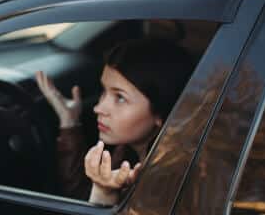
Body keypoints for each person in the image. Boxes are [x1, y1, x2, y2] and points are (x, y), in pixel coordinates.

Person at [36, 39, 195, 205]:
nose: (98, 108)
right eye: (104, 91)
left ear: (161, 112)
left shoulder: (166, 184)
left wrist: (105, 194)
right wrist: (69, 121)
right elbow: (81, 197)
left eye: (120, 97)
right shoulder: (127, 150)